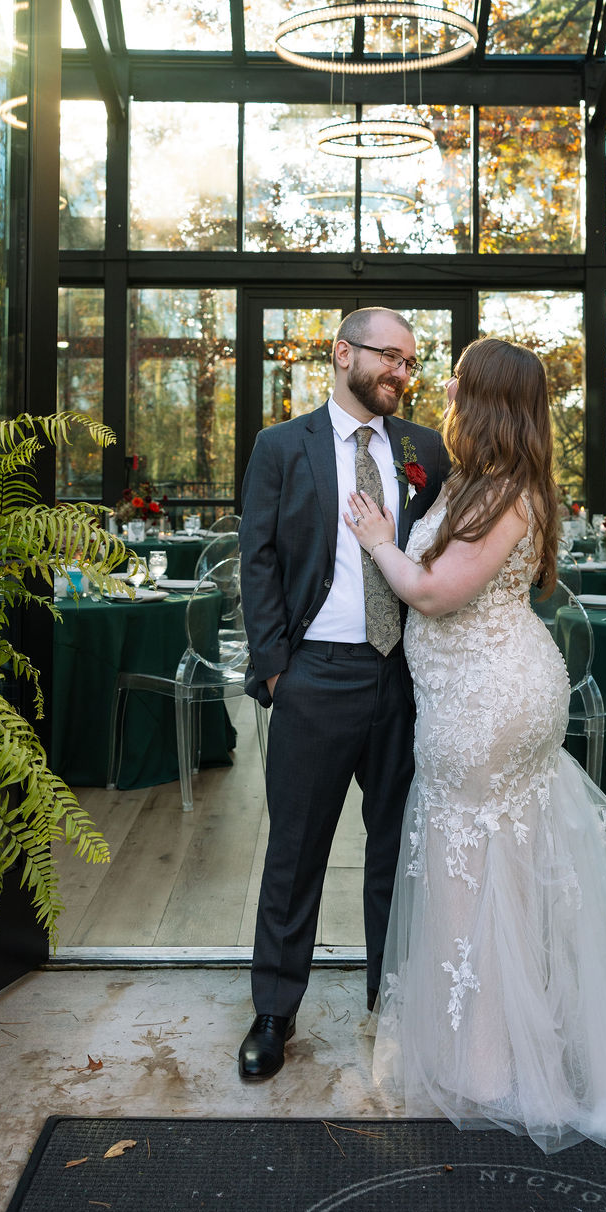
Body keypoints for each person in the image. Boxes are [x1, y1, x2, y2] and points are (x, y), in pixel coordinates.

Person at [345, 337, 606, 1152]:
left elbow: (436, 593)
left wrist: (376, 537)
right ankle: (504, 1044)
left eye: (458, 382)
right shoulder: (489, 481)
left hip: (487, 702)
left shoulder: (507, 491)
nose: (443, 388)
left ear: (485, 399)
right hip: (483, 693)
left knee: (470, 865)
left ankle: (487, 1063)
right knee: (498, 868)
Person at [237, 306, 451, 1081]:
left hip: (405, 678)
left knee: (401, 849)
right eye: (389, 357)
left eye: (410, 362)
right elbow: (255, 559)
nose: (401, 373)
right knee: (296, 852)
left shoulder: (427, 449)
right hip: (314, 675)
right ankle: (273, 1011)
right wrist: (275, 669)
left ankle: (391, 1004)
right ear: (342, 354)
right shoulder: (280, 447)